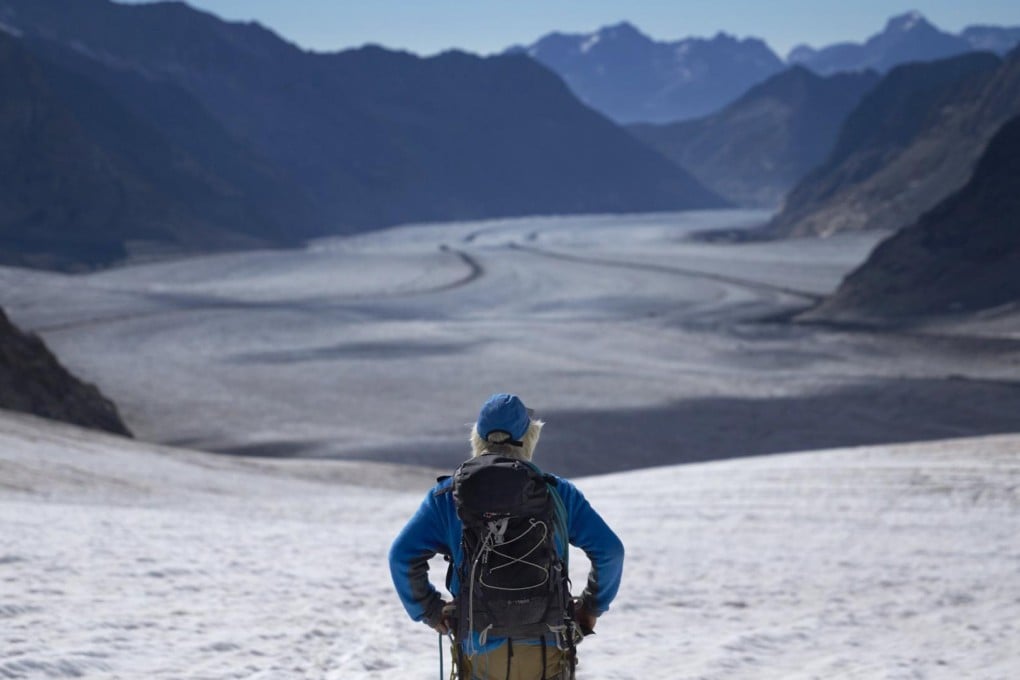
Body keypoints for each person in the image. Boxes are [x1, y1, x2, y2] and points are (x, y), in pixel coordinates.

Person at [389, 393, 624, 679]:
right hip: (548, 645)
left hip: (478, 648)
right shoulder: (559, 494)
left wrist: (430, 610)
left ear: (477, 438)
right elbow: (610, 551)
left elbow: (402, 556)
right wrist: (591, 607)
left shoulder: (447, 496)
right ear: (530, 437)